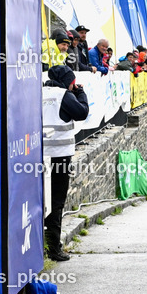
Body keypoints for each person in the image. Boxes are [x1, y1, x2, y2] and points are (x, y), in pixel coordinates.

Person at [42, 65, 89, 261]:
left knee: (38, 201)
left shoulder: (38, 92)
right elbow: (82, 113)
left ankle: (39, 245)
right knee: (56, 202)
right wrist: (81, 93)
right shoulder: (64, 95)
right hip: (59, 156)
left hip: (34, 155)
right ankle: (54, 248)